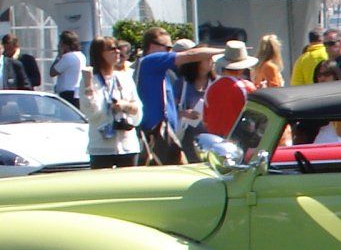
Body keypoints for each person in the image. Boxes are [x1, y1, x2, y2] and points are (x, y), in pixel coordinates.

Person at [135, 27, 219, 164]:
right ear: (151, 46)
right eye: (167, 48)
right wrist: (225, 50)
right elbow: (191, 54)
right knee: (181, 173)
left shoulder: (163, 72)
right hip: (156, 133)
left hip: (166, 133)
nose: (171, 52)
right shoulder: (150, 61)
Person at [81, 35, 141, 168]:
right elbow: (91, 113)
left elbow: (138, 109)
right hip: (101, 147)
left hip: (127, 145)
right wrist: (88, 86)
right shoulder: (90, 80)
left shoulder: (125, 77)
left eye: (118, 48)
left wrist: (125, 106)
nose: (117, 52)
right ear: (99, 54)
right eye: (111, 49)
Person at [199, 41, 257, 138]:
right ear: (242, 67)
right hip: (240, 141)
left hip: (216, 143)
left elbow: (205, 121)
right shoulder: (247, 87)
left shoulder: (211, 87)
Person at [50, 30, 85, 104]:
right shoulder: (81, 56)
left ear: (65, 44)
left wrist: (59, 56)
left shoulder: (67, 58)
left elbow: (52, 72)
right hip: (77, 92)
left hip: (67, 93)